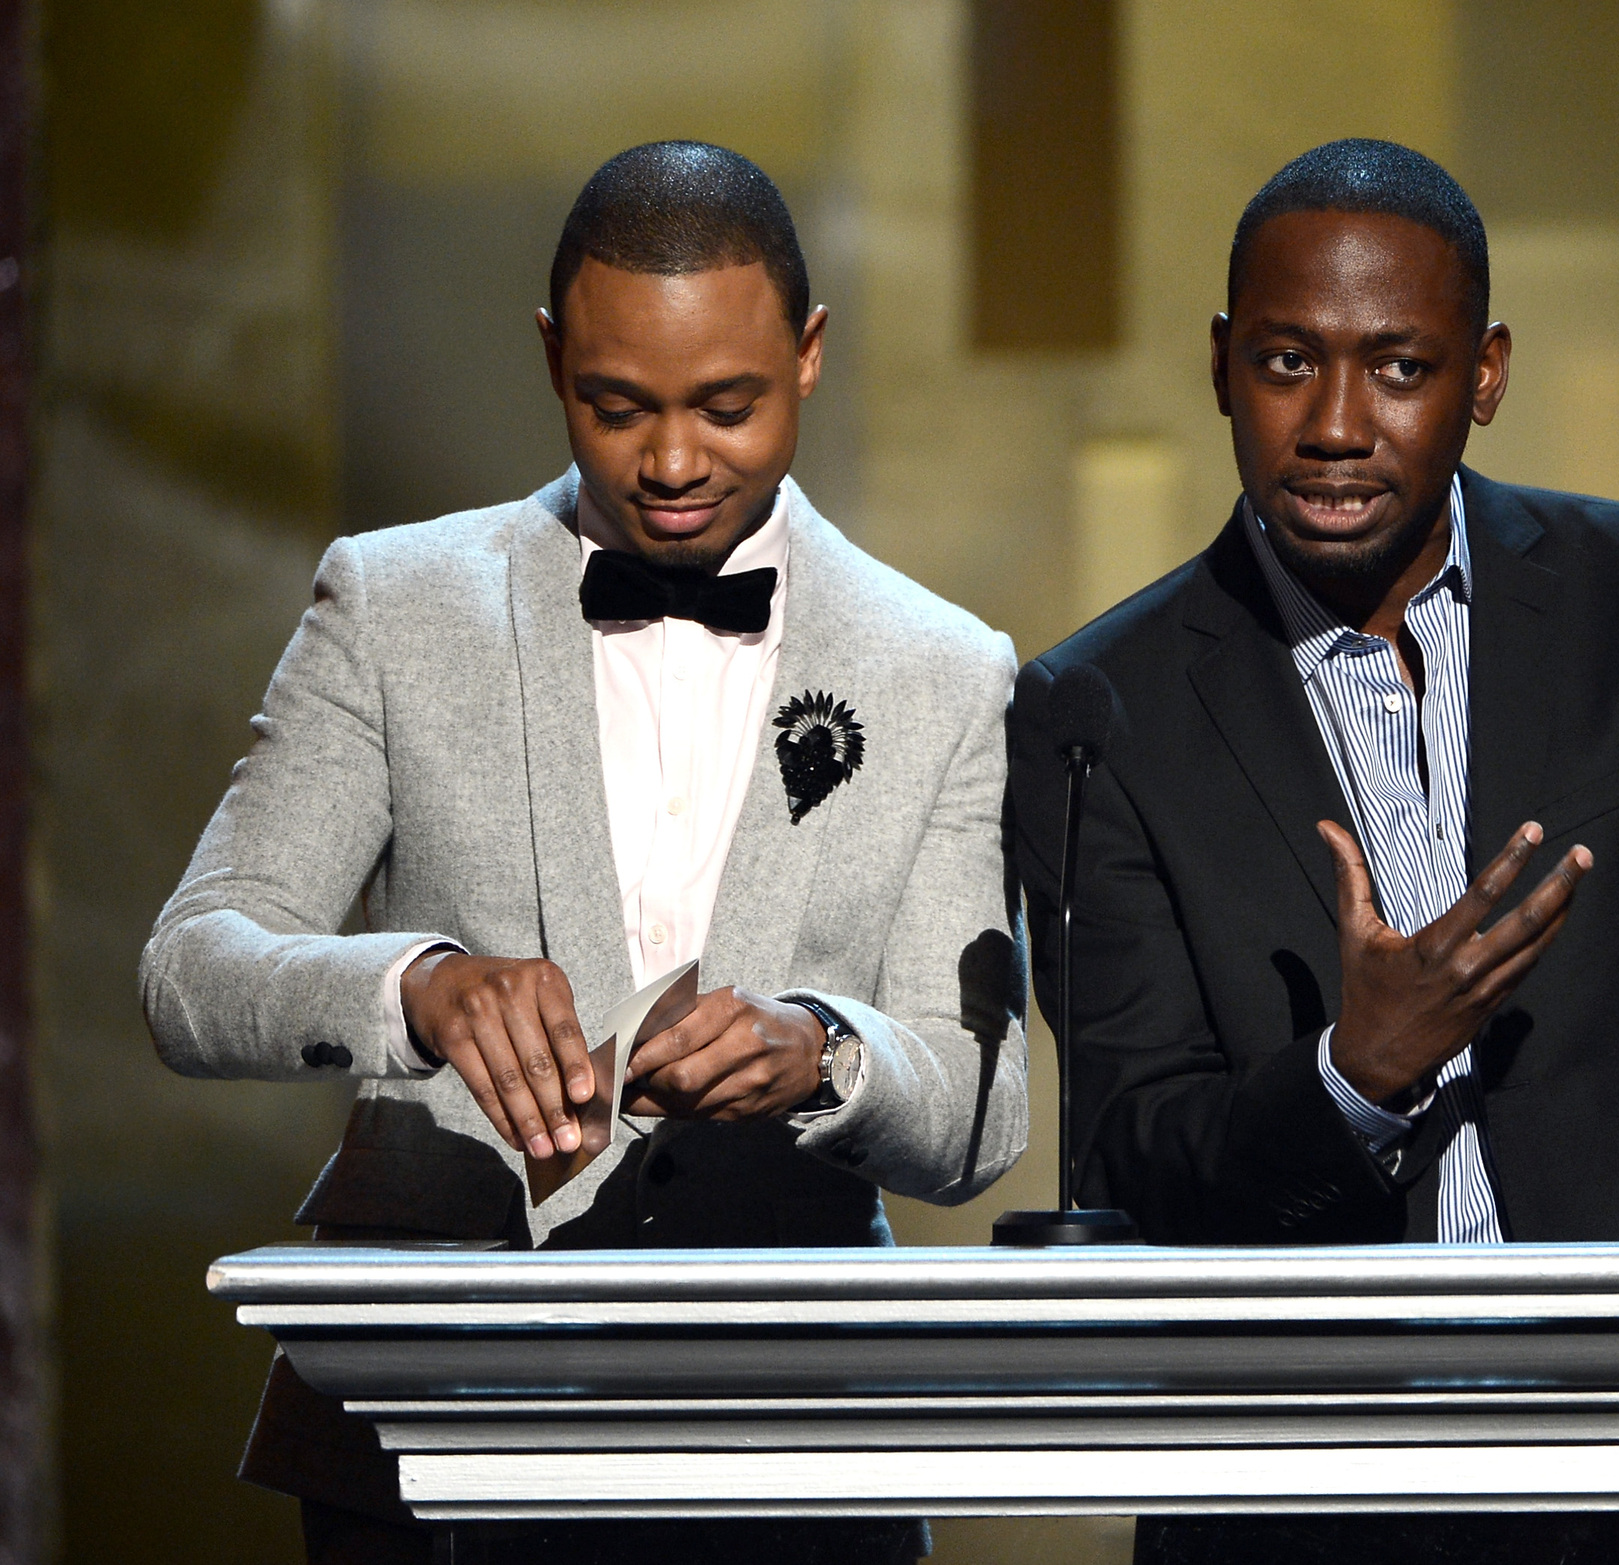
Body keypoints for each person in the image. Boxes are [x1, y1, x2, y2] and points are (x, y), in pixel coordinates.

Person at [1007, 139, 1619, 1565]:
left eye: (1400, 366)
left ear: (1484, 375)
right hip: (1306, 1501)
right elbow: (1135, 1153)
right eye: (1285, 361)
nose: (1334, 423)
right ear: (1219, 365)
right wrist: (1349, 1076)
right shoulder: (1098, 710)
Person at [143, 140, 1027, 1565]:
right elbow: (194, 967)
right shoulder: (395, 601)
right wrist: (416, 986)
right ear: (553, 360)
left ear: (808, 355)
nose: (673, 462)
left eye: (725, 407)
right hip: (429, 1418)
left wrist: (828, 1050)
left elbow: (979, 1110)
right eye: (618, 409)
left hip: (789, 1442)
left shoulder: (942, 668)